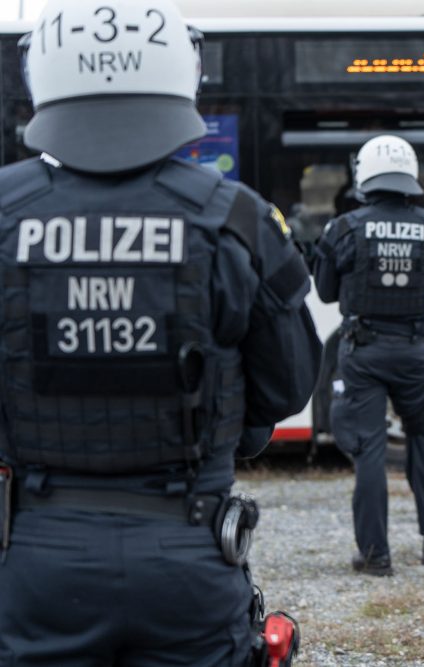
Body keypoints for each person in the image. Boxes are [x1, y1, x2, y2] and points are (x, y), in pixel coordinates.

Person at [0, 1, 321, 664]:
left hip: (35, 556)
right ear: (184, 72)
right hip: (191, 554)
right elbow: (288, 385)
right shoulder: (236, 216)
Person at [313, 134, 424, 576]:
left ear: (365, 175)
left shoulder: (342, 229)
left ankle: (375, 555)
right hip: (415, 350)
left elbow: (324, 293)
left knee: (370, 450)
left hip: (363, 350)